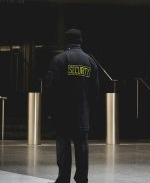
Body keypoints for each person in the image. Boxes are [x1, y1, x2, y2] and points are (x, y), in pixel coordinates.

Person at [45, 29, 99, 183]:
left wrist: (50, 112)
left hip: (63, 115)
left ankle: (63, 179)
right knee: (82, 148)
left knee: (63, 148)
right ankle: (82, 178)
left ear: (66, 41)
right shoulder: (90, 61)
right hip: (82, 115)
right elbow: (95, 91)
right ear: (81, 41)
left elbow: (51, 89)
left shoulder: (59, 60)